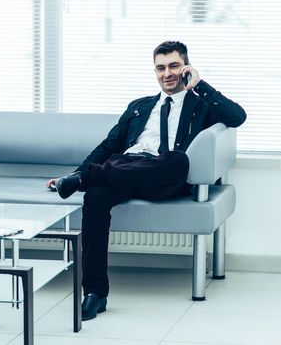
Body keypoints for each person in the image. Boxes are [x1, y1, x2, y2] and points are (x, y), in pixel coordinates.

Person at [47, 41, 246, 321]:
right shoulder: (139, 106)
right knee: (95, 196)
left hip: (164, 175)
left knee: (178, 160)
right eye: (160, 68)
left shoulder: (200, 105)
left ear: (186, 68)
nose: (167, 73)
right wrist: (77, 172)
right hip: (123, 169)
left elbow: (238, 117)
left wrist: (200, 85)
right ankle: (95, 293)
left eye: (174, 66)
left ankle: (88, 178)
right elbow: (108, 146)